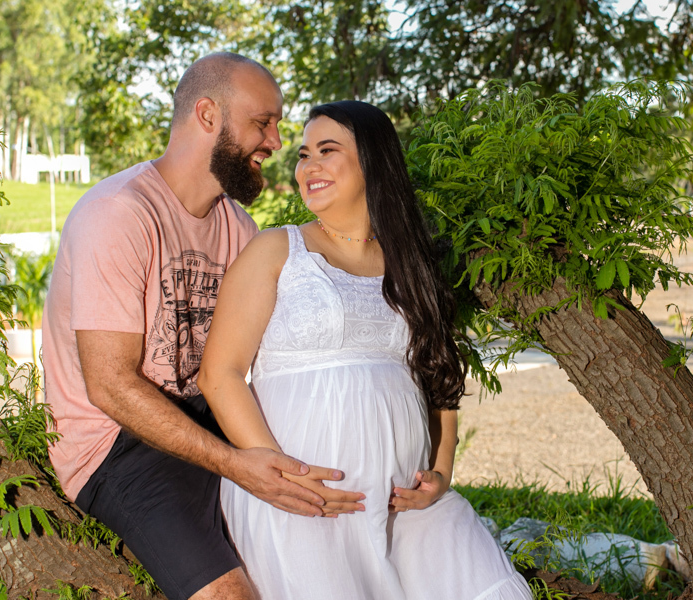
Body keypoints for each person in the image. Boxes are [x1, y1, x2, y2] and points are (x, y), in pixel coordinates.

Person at [42, 53, 363, 600]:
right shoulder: (119, 213)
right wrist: (238, 465)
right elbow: (110, 385)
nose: (277, 141)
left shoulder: (239, 227)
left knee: (326, 526)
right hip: (115, 443)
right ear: (208, 115)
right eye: (263, 122)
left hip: (204, 417)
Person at [197, 101, 533, 599]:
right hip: (305, 503)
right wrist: (280, 475)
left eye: (326, 151)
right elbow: (220, 374)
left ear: (372, 160)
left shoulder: (411, 264)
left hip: (406, 510)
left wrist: (440, 474)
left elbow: (439, 379)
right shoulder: (276, 250)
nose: (308, 166)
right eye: (304, 154)